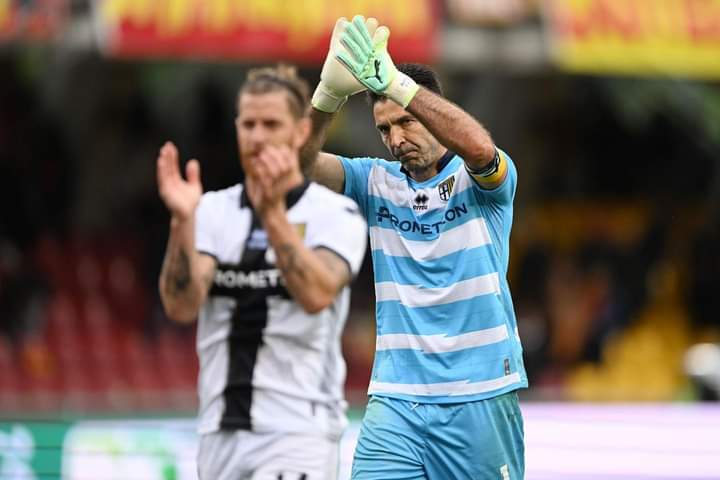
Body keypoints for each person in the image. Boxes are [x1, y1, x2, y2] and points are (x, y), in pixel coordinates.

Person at [305, 16, 527, 479]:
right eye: (385, 129)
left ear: (430, 110)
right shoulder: (375, 181)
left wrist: (399, 86)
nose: (397, 139)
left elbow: (480, 148)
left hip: (481, 393)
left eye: (406, 120)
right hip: (397, 399)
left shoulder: (479, 181)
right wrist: (326, 98)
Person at [156, 65, 367, 480]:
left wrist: (272, 214)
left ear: (301, 131)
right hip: (219, 432)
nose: (258, 136)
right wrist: (181, 223)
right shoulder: (213, 211)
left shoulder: (334, 214)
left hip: (297, 433)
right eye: (248, 124)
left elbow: (317, 293)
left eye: (271, 124)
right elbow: (181, 306)